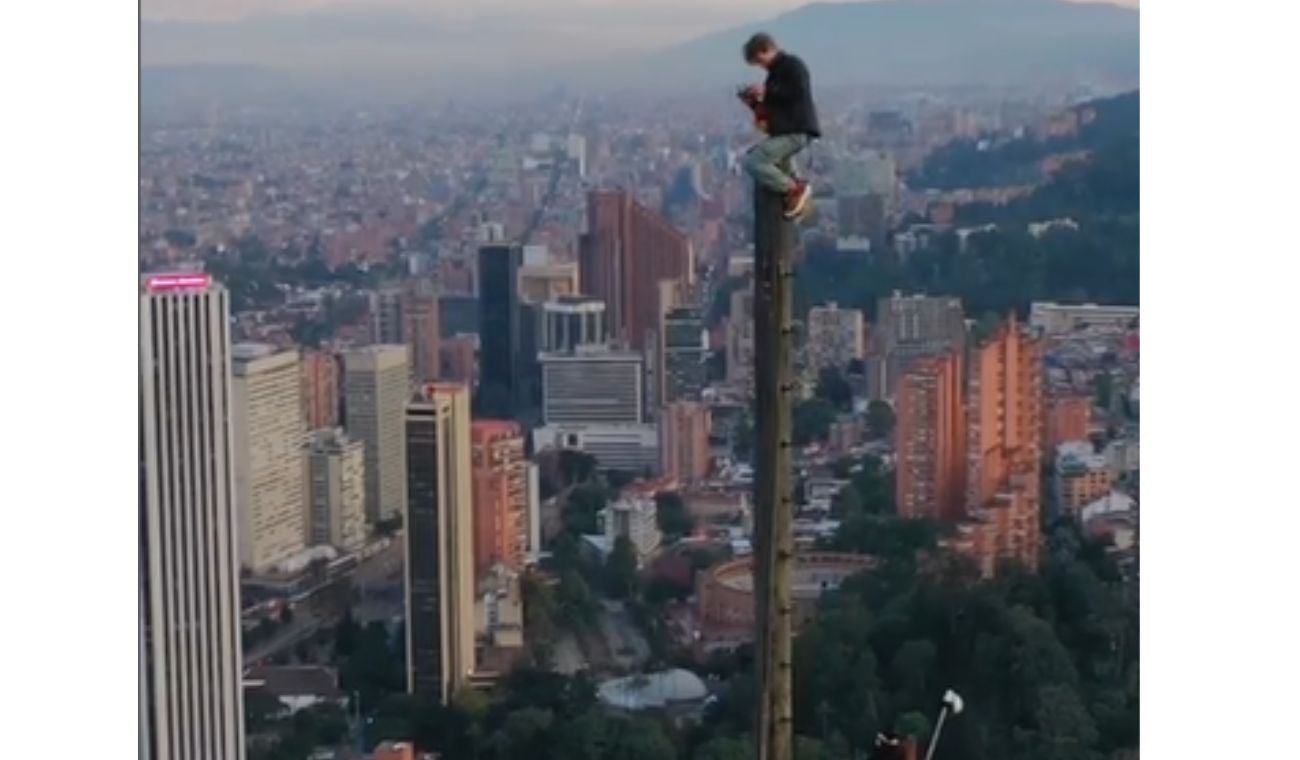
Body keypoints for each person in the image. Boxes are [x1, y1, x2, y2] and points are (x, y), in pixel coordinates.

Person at [740, 32, 821, 218]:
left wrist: (767, 92)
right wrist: (755, 102)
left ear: (766, 50)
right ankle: (794, 198)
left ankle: (794, 189)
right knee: (775, 164)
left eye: (759, 61)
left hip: (795, 129)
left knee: (755, 162)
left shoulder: (793, 66)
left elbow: (796, 93)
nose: (761, 66)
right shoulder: (775, 73)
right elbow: (774, 106)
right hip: (785, 130)